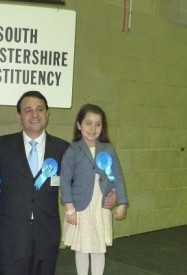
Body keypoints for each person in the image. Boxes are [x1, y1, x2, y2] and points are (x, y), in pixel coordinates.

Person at [0, 91, 117, 275]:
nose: (34, 115)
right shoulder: (2, 146)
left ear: (48, 113)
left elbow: (83, 183)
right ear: (19, 116)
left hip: (46, 235)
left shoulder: (63, 149)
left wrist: (110, 192)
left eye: (39, 109)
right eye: (28, 110)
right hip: (12, 236)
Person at [60, 103, 128, 275]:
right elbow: (65, 181)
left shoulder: (108, 149)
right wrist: (70, 209)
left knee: (98, 248)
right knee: (81, 248)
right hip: (80, 207)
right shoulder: (73, 150)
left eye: (98, 124)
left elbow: (117, 176)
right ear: (79, 125)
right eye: (88, 123)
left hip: (100, 205)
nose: (93, 128)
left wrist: (121, 203)